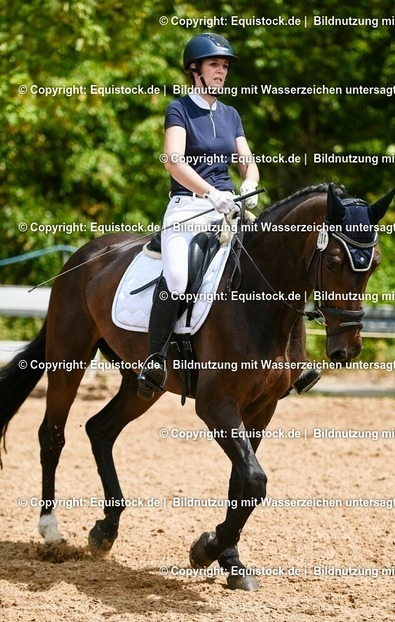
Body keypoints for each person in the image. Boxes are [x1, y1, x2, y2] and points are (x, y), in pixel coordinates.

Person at [137, 32, 259, 400]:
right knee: (177, 277)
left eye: (224, 66)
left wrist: (250, 184)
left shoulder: (231, 114)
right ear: (195, 70)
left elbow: (246, 160)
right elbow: (174, 161)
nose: (221, 71)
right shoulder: (179, 109)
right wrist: (210, 193)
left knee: (270, 260)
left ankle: (289, 360)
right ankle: (155, 359)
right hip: (189, 208)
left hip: (229, 209)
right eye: (214, 65)